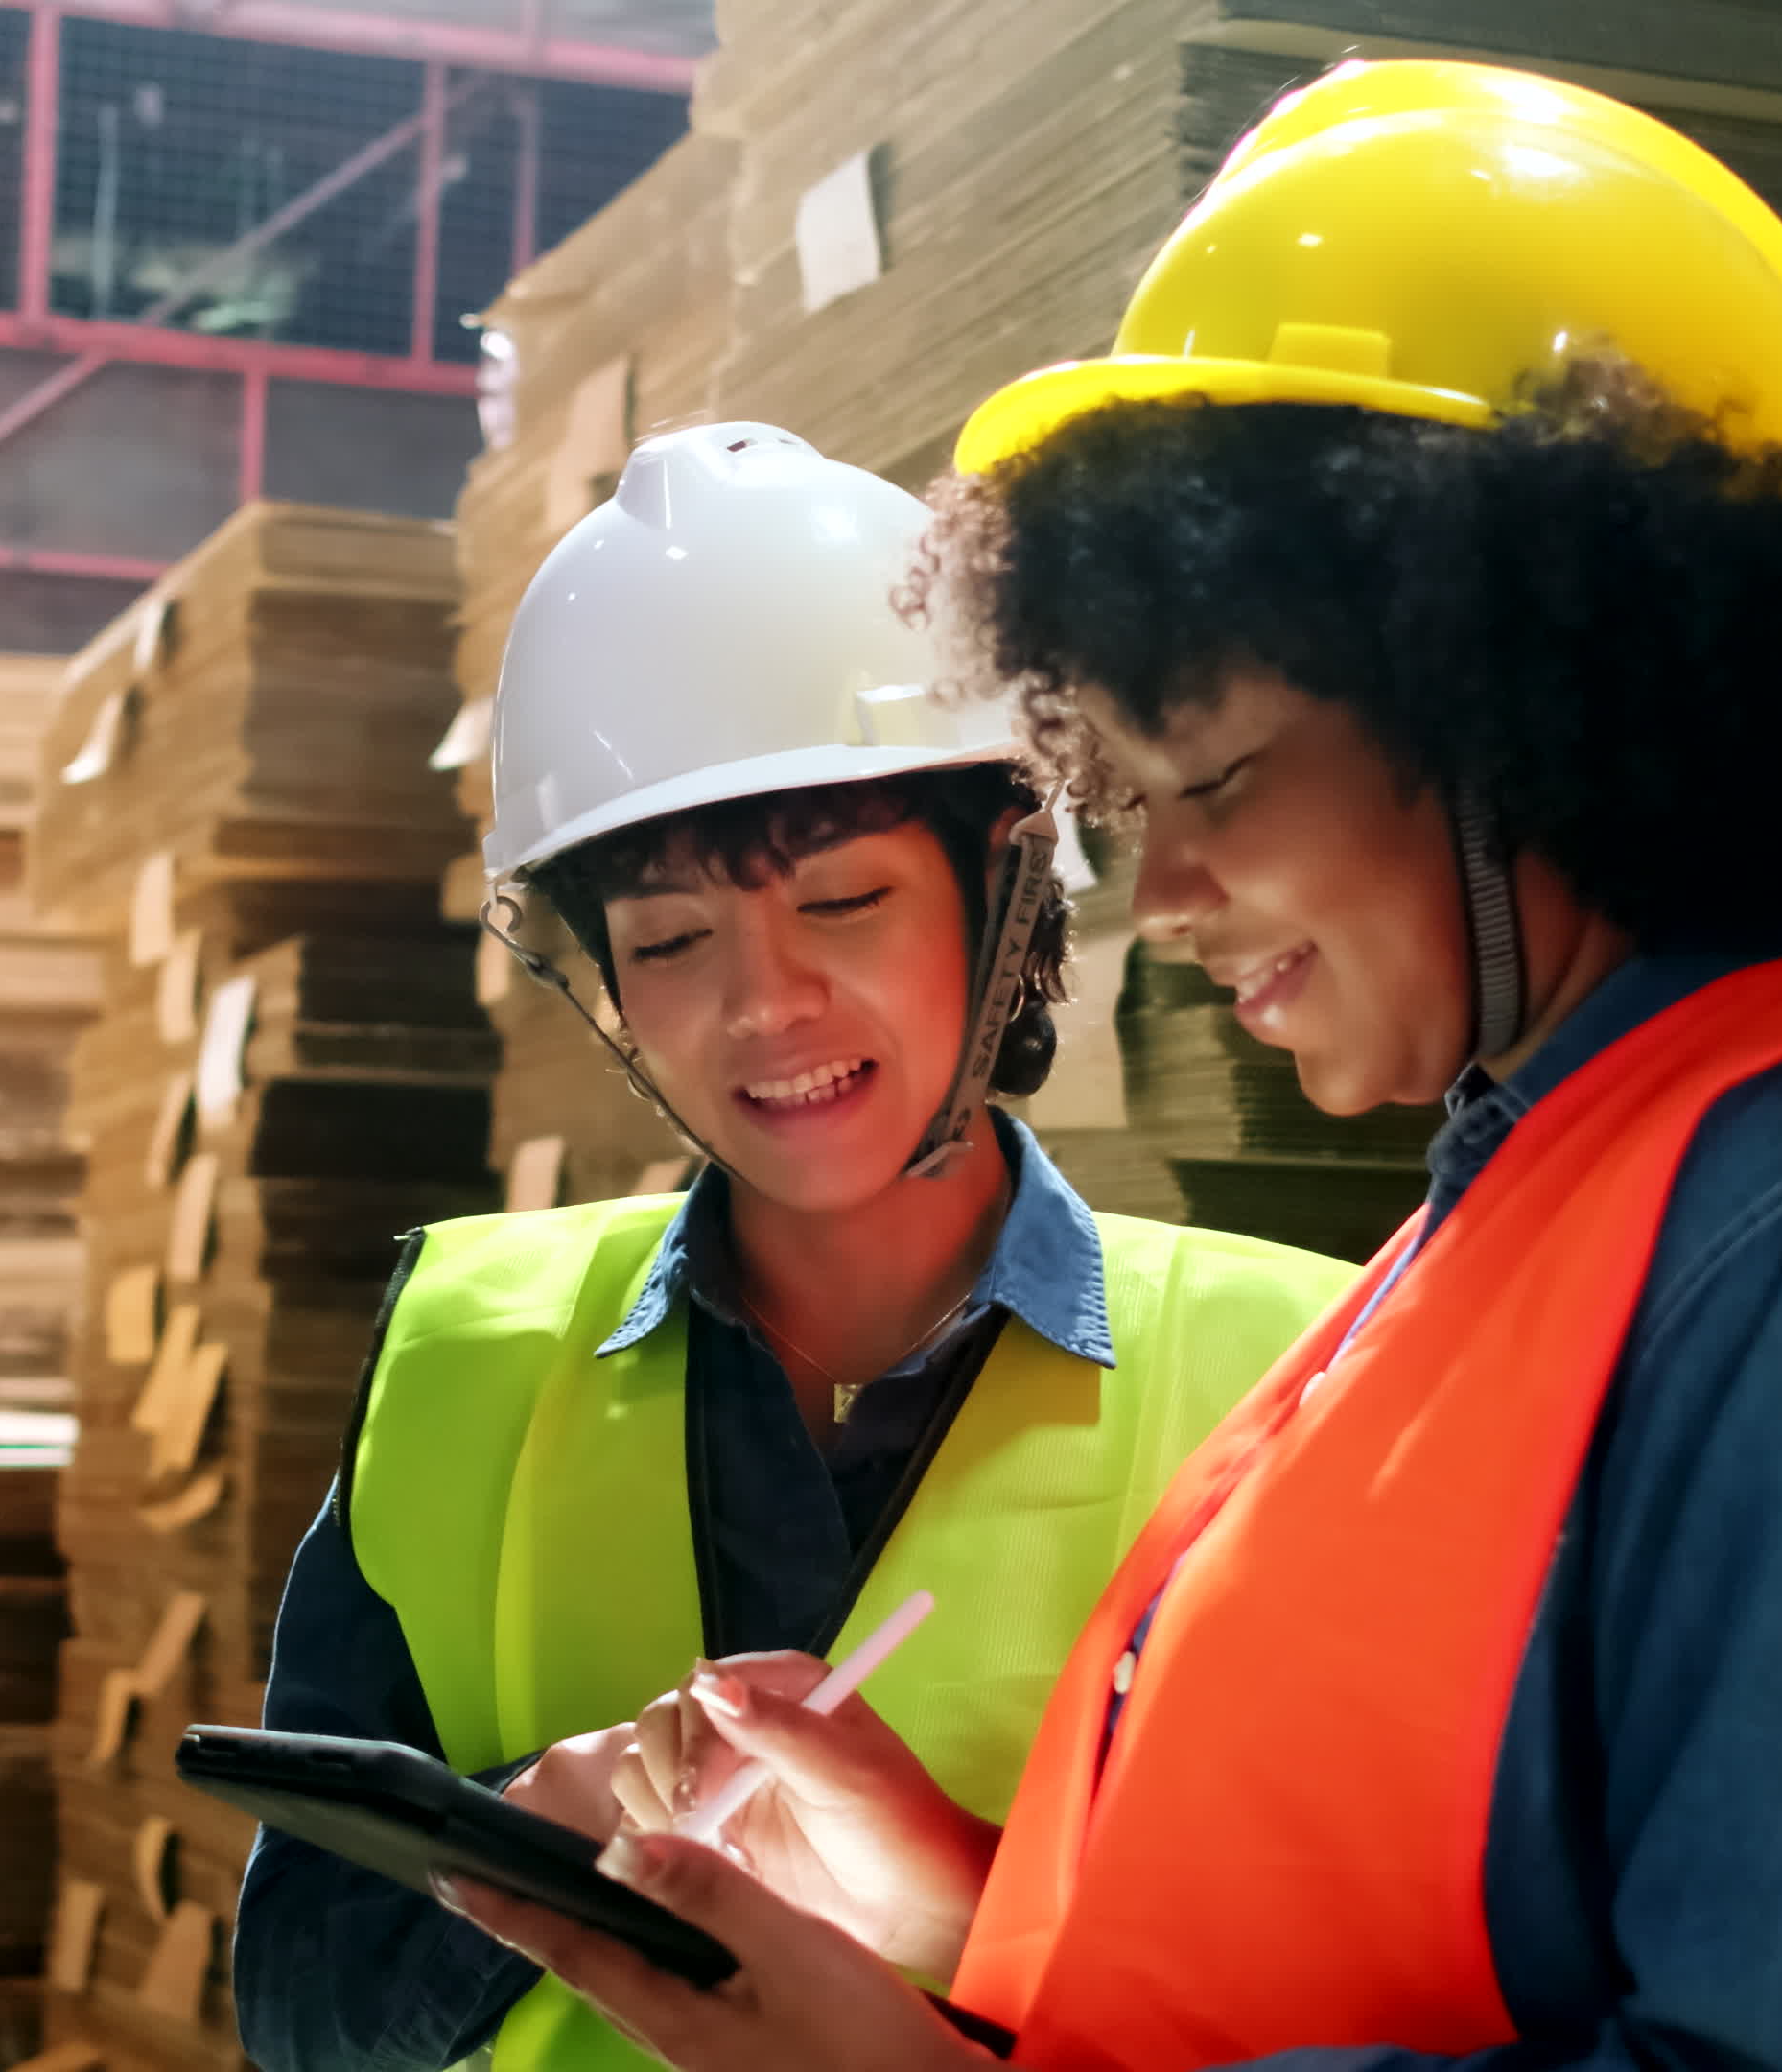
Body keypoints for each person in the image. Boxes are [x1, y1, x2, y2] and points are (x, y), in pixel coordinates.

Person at [443, 61, 1782, 2072]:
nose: (1160, 887)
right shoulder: (1527, 1212)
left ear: (1531, 704)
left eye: (1227, 778)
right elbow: (1382, 1939)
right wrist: (957, 1889)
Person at [232, 420, 1360, 2072]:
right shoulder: (462, 1358)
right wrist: (545, 1820)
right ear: (602, 981)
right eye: (672, 939)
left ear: (1005, 896)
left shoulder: (1295, 1373)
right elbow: (300, 2018)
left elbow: (1351, 2000)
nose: (764, 1007)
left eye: (842, 904)